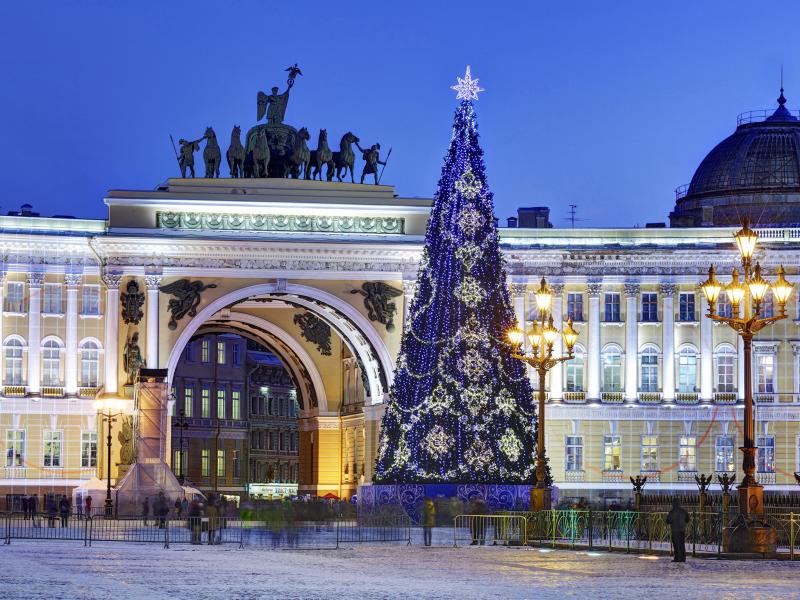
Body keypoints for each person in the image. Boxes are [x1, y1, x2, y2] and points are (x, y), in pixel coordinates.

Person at [666, 498, 690, 562]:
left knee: (676, 544)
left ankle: (677, 558)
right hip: (682, 530)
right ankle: (683, 558)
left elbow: (668, 521)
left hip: (674, 530)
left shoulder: (672, 512)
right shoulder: (683, 511)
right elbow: (687, 519)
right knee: (682, 544)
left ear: (673, 504)